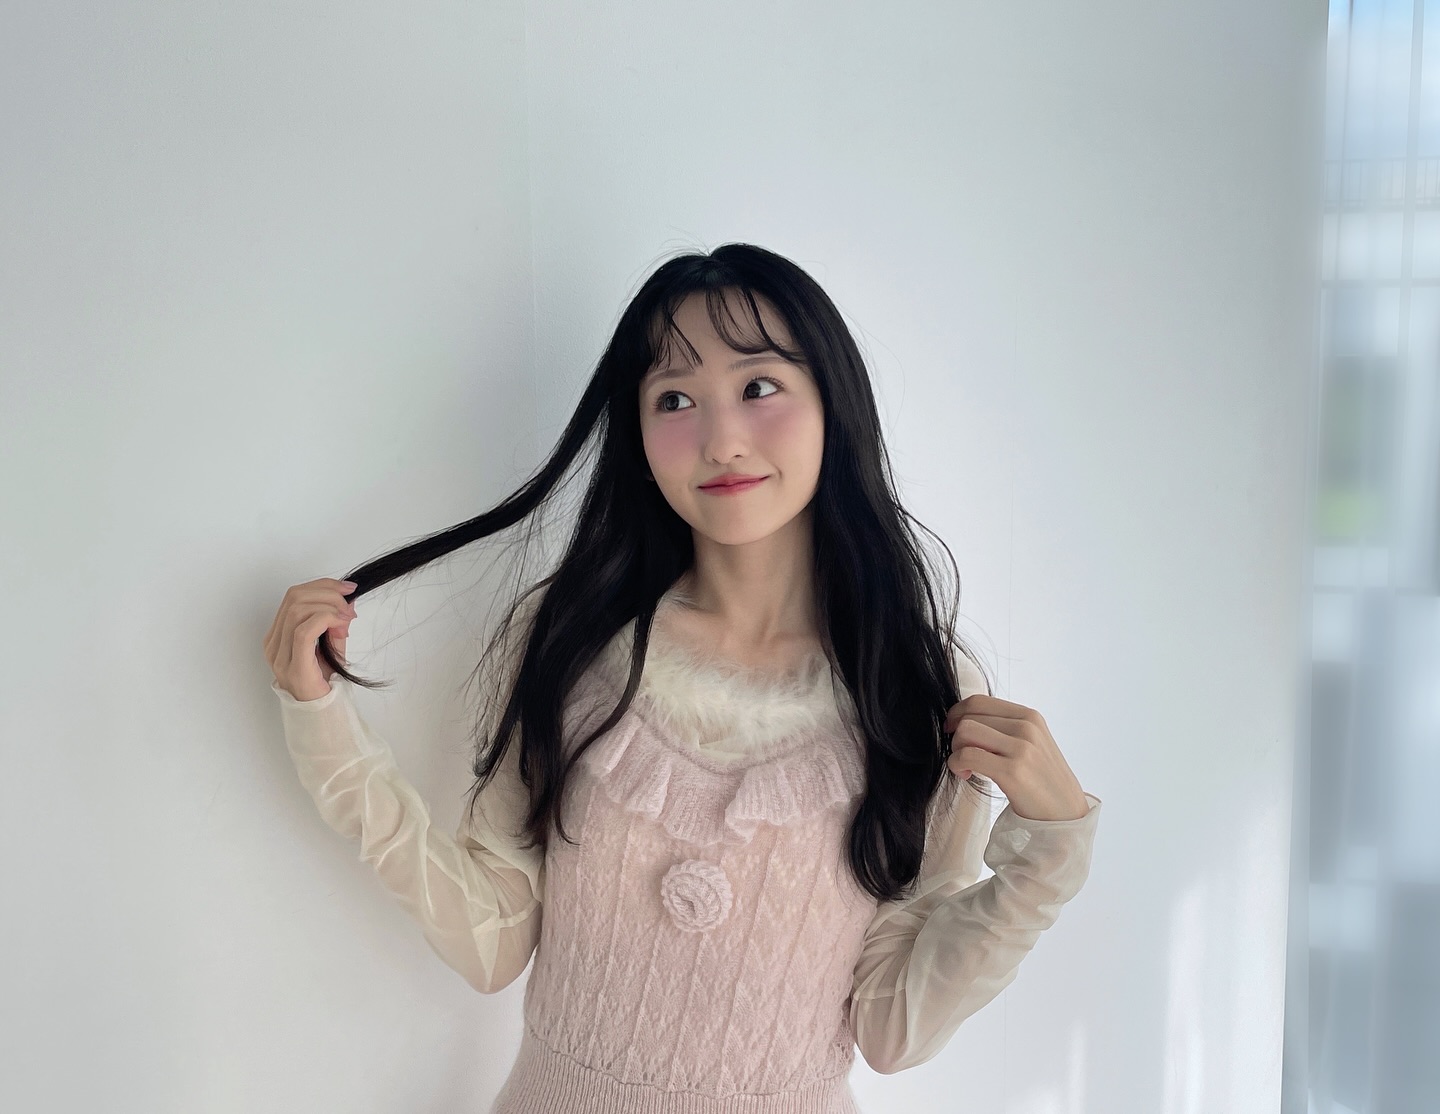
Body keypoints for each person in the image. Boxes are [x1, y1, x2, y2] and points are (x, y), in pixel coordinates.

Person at [262, 243, 1101, 1113]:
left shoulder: (913, 683)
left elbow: (894, 1028)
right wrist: (327, 732)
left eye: (759, 386)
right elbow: (492, 940)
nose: (721, 439)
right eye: (674, 399)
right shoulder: (574, 638)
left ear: (834, 401)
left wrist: (1049, 852)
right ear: (637, 432)